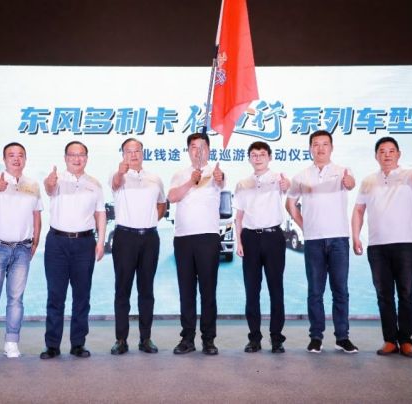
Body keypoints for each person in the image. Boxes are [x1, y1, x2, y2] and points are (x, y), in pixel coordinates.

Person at [351, 136, 412, 358]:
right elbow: (359, 210)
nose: (387, 155)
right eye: (382, 151)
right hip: (377, 247)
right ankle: (390, 340)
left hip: (405, 245)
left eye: (391, 151)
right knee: (384, 295)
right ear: (376, 156)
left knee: (406, 294)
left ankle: (406, 341)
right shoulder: (368, 181)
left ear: (399, 154)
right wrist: (356, 236)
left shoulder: (409, 175)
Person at [286, 130, 359, 354]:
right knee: (315, 291)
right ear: (310, 148)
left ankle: (342, 337)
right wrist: (304, 225)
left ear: (331, 148)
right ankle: (316, 337)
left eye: (325, 144)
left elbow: (351, 183)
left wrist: (349, 182)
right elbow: (290, 204)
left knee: (340, 291)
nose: (320, 148)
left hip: (339, 239)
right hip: (314, 241)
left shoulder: (342, 171)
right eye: (316, 144)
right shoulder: (301, 176)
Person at [0, 142, 42, 360]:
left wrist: (35, 241)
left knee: (16, 299)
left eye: (20, 155)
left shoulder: (33, 185)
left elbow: (37, 214)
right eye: (11, 155)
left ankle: (11, 342)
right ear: (4, 159)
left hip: (22, 249)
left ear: (25, 159)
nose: (16, 159)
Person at [40, 141, 106, 359]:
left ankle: (78, 343)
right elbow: (49, 189)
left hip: (84, 244)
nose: (77, 159)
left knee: (82, 296)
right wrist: (49, 182)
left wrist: (100, 241)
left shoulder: (94, 184)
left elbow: (100, 213)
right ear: (65, 158)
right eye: (72, 155)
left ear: (86, 158)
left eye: (81, 155)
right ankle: (52, 345)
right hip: (57, 243)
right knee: (55, 295)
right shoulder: (56, 180)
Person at [167, 132, 225, 355]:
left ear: (208, 150)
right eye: (193, 147)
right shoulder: (180, 174)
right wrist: (191, 181)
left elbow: (221, 182)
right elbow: (172, 197)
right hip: (183, 239)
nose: (198, 151)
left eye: (202, 147)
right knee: (186, 290)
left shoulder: (216, 172)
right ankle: (187, 338)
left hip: (208, 238)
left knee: (208, 291)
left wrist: (218, 177)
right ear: (188, 150)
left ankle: (209, 339)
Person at [108, 138, 166, 355]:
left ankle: (146, 338)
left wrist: (150, 220)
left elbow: (162, 203)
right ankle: (121, 339)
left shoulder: (155, 178)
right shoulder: (118, 176)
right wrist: (120, 172)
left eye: (137, 151)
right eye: (128, 151)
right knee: (122, 289)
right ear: (123, 154)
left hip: (149, 238)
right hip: (125, 237)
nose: (133, 155)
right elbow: (115, 183)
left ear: (143, 153)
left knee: (146, 290)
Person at [234, 141, 290, 353]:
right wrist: (239, 241)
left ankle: (277, 338)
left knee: (276, 289)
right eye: (254, 155)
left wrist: (286, 184)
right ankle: (254, 338)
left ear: (270, 157)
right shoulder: (242, 184)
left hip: (273, 237)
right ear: (249, 158)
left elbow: (287, 187)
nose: (258, 158)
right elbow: (239, 216)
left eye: (262, 154)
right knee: (252, 290)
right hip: (250, 238)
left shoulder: (278, 179)